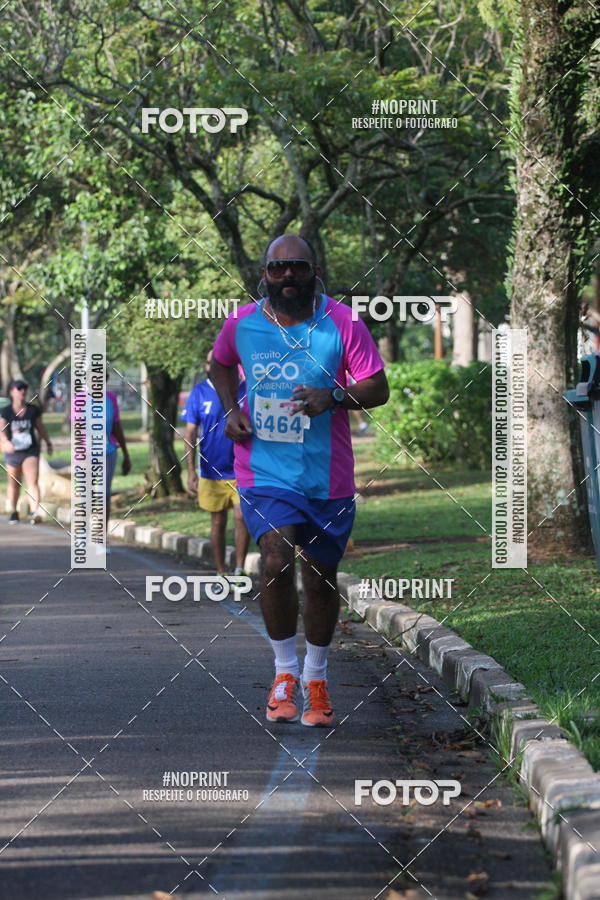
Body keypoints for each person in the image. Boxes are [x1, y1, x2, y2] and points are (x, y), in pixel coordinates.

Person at [210, 234, 389, 727]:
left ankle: (317, 676)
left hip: (327, 475)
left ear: (314, 271)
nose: (287, 275)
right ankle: (284, 673)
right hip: (263, 469)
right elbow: (219, 362)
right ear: (263, 274)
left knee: (320, 575)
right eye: (277, 268)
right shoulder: (240, 323)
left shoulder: (344, 322)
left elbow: (378, 387)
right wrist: (230, 410)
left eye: (297, 267)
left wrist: (333, 395)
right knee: (274, 557)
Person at [182, 351, 250, 576]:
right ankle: (221, 571)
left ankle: (240, 570)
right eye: (214, 362)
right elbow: (190, 433)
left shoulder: (246, 388)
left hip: (242, 470)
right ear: (207, 365)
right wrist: (190, 470)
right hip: (211, 471)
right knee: (218, 522)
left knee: (242, 518)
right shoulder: (200, 392)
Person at [1, 379, 53, 524]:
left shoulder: (32, 410)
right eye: (18, 388)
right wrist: (5, 442)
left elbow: (40, 428)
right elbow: (1, 430)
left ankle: (34, 512)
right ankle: (13, 512)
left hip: (30, 450)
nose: (22, 391)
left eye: (24, 388)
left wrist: (48, 443)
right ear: (12, 392)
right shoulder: (7, 411)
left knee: (33, 482)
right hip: (13, 452)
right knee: (14, 484)